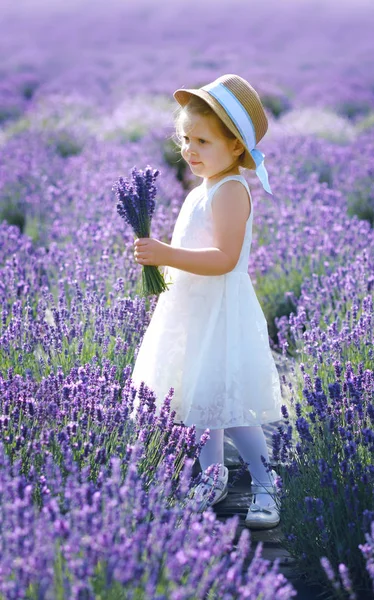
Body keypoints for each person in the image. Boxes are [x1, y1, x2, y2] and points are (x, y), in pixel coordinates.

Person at [130, 74, 283, 529]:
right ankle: (212, 476)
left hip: (221, 312)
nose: (190, 150)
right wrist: (161, 263)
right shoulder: (201, 189)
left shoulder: (230, 191)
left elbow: (225, 259)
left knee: (229, 407)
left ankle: (265, 481)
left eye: (202, 140)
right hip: (194, 310)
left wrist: (165, 254)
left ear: (236, 147)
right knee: (197, 399)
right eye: (184, 139)